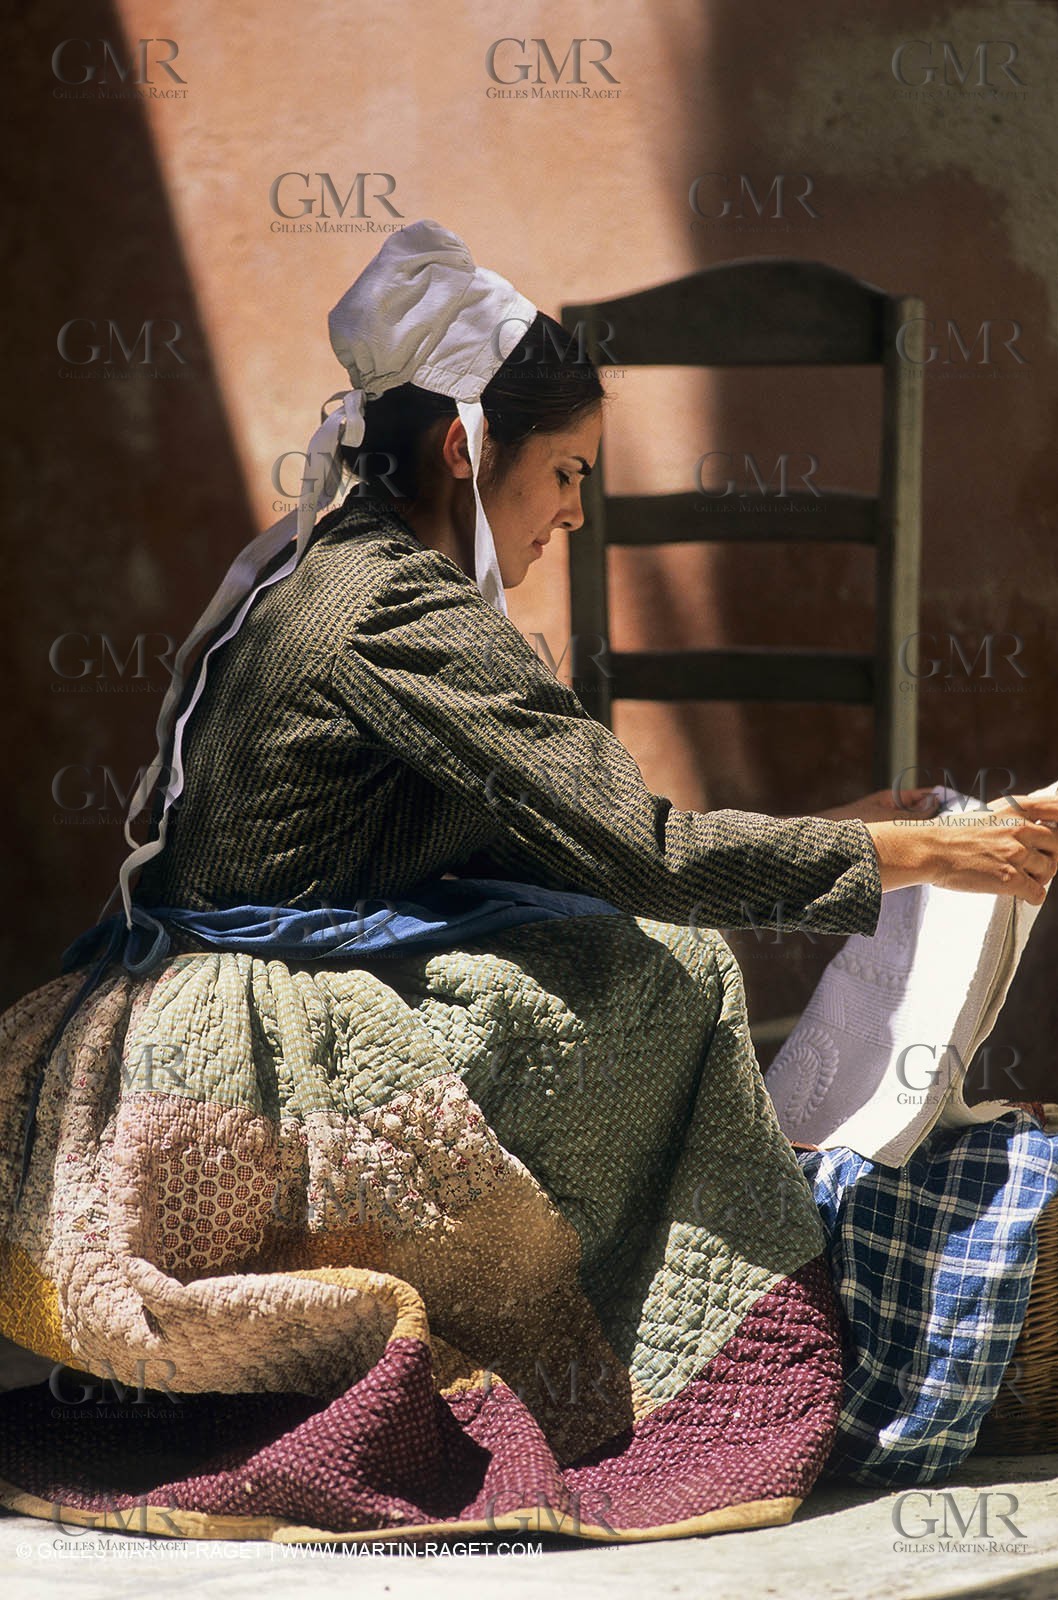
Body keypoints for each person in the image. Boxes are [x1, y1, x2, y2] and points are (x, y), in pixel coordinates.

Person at [0, 221, 1055, 1547]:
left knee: (620, 943)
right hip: (229, 1044)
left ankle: (558, 1337)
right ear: (465, 450)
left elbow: (563, 841)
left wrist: (835, 831)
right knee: (671, 978)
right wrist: (926, 856)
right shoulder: (408, 614)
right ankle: (628, 1379)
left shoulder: (337, 562)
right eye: (565, 472)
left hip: (176, 999)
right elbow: (641, 852)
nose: (572, 511)